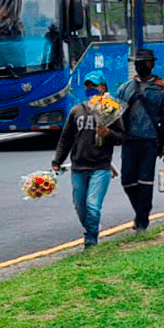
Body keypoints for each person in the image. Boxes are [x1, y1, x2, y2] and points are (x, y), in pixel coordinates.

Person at [52, 71, 122, 249]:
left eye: (94, 85)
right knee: (79, 205)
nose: (91, 89)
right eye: (87, 86)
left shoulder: (112, 110)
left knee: (92, 204)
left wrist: (108, 133)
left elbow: (122, 137)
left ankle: (90, 240)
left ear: (103, 87)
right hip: (78, 167)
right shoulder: (77, 111)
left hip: (101, 167)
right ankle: (93, 225)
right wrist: (57, 161)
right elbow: (66, 138)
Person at [117, 48, 164, 231]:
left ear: (152, 64)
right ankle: (140, 212)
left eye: (144, 62)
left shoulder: (163, 90)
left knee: (145, 182)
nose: (140, 65)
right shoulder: (125, 88)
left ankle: (142, 223)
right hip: (129, 141)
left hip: (150, 141)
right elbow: (115, 115)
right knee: (127, 181)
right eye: (137, 62)